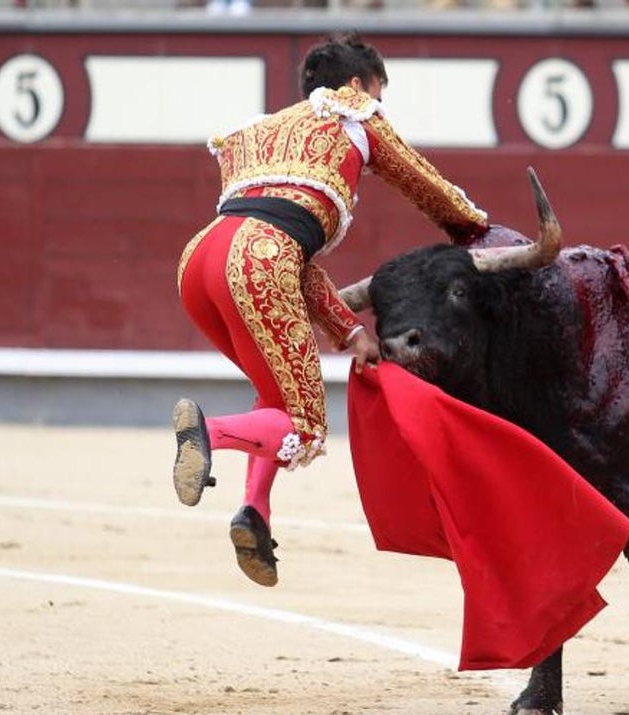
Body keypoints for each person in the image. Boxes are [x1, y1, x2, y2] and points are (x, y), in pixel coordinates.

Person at [173, 33, 489, 588]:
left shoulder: (258, 133)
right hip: (260, 258)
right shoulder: (355, 114)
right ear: (357, 85)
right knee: (306, 427)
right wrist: (473, 228)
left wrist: (349, 333)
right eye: (379, 93)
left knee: (274, 398)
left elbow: (297, 260)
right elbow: (423, 183)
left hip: (202, 261)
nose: (380, 107)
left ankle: (255, 511)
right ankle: (210, 431)